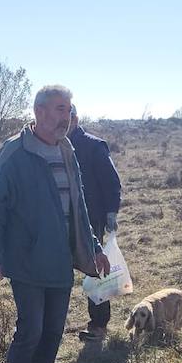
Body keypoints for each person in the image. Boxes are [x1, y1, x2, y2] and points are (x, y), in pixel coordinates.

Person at [0, 85, 110, 363]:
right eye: (61, 109)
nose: (68, 116)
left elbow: (78, 206)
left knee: (52, 333)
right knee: (31, 331)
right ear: (40, 112)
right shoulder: (15, 151)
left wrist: (94, 247)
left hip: (60, 260)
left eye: (69, 109)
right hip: (26, 259)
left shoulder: (67, 150)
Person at [67, 105, 123, 341]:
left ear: (75, 119)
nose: (61, 121)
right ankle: (51, 326)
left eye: (66, 116)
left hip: (92, 220)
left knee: (96, 271)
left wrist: (111, 212)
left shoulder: (93, 146)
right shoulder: (49, 145)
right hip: (58, 220)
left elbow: (112, 182)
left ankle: (98, 326)